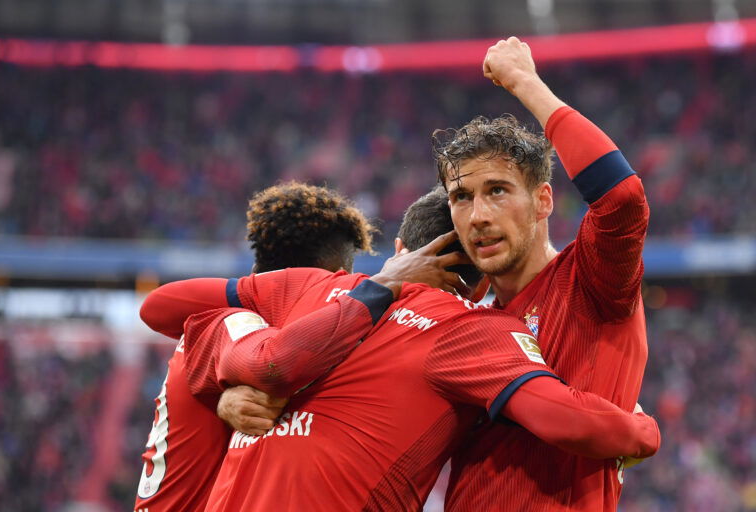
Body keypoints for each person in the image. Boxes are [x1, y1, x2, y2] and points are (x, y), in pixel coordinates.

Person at [141, 191, 658, 511]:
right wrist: (641, 430)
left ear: (397, 250)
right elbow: (565, 421)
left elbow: (162, 306)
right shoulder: (473, 328)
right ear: (478, 283)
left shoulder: (306, 287)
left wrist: (229, 379)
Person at [384, 37, 651, 511]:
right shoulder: (465, 325)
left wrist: (526, 83)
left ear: (543, 201)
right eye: (461, 198)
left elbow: (623, 198)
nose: (478, 215)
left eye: (498, 190)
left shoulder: (592, 278)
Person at [134, 182, 376, 512]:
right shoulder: (233, 325)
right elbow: (154, 306)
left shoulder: (271, 340)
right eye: (343, 277)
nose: (344, 289)